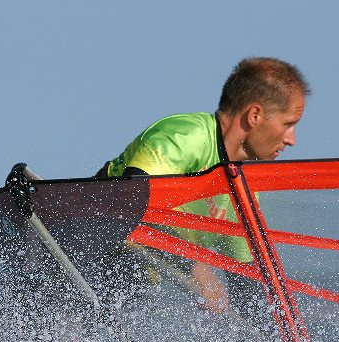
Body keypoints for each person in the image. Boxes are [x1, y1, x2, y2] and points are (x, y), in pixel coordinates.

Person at [95, 57, 310, 320]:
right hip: (84, 259)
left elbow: (247, 285)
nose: (292, 139)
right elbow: (132, 205)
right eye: (288, 124)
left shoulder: (243, 191)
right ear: (255, 115)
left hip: (126, 291)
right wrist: (197, 268)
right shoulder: (185, 137)